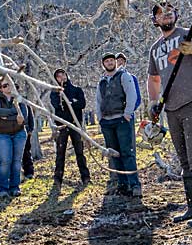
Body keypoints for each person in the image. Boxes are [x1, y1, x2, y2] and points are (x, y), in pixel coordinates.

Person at [146, 2, 192, 228]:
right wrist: (153, 101)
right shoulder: (155, 48)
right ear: (155, 20)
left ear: (175, 15)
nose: (165, 15)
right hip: (171, 108)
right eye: (160, 13)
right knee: (185, 160)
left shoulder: (186, 34)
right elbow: (153, 78)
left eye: (169, 11)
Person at [96, 51, 142, 198]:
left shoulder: (124, 76)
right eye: (106, 61)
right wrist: (100, 118)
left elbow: (132, 95)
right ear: (103, 64)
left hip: (122, 120)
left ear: (115, 62)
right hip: (107, 122)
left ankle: (134, 185)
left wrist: (128, 114)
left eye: (111, 60)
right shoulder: (101, 81)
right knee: (114, 154)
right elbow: (98, 100)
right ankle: (123, 185)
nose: (109, 63)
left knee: (127, 153)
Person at [49, 69, 90, 189]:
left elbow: (82, 104)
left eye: (63, 75)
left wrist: (70, 103)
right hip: (62, 125)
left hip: (75, 124)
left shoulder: (76, 90)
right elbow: (57, 105)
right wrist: (67, 101)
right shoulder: (55, 92)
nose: (62, 77)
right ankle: (57, 179)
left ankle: (85, 177)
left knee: (79, 152)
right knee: (60, 153)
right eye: (58, 76)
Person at [0, 75, 30, 197]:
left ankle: (15, 187)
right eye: (4, 85)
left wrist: (7, 117)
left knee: (17, 161)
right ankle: (2, 188)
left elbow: (24, 117)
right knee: (5, 161)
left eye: (9, 84)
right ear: (0, 88)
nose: (8, 87)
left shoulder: (19, 99)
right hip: (2, 135)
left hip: (19, 133)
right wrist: (14, 112)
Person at [115, 51, 143, 117]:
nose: (120, 62)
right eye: (118, 60)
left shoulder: (132, 78)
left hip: (129, 115)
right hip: (115, 115)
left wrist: (129, 110)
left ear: (125, 63)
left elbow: (138, 98)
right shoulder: (110, 79)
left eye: (122, 60)